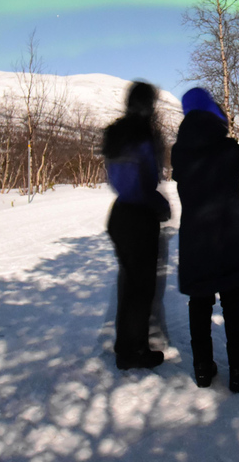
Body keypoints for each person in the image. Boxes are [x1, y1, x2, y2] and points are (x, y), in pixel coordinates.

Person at [171, 87, 239, 392]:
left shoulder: (179, 152)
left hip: (196, 240)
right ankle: (238, 370)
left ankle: (203, 369)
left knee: (199, 303)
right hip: (229, 236)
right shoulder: (229, 148)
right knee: (233, 302)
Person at [102, 81, 171, 370]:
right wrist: (157, 202)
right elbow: (145, 178)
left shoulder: (115, 132)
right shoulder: (141, 132)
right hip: (140, 217)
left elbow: (120, 178)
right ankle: (136, 351)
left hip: (119, 215)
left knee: (129, 285)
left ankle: (125, 346)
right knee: (141, 289)